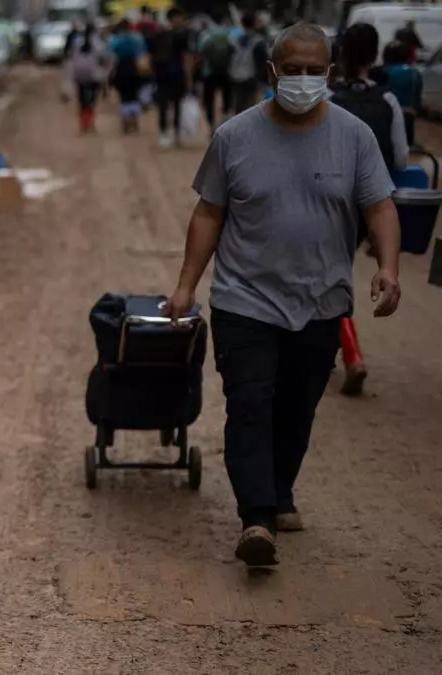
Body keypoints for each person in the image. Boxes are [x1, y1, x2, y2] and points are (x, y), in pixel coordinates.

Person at [164, 22, 401, 567]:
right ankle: (257, 519)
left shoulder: (354, 137)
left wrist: (389, 267)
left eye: (314, 71)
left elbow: (380, 206)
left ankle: (279, 491)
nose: (302, 80)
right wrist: (185, 286)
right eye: (291, 70)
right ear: (271, 72)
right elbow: (209, 213)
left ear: (331, 73)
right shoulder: (235, 137)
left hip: (321, 301)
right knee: (250, 403)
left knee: (297, 408)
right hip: (243, 298)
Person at [328, 22, 409, 396]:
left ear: (341, 53)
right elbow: (402, 155)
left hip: (331, 203)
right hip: (371, 203)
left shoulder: (327, 98)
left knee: (330, 276)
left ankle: (350, 353)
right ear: (375, 55)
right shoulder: (388, 100)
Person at [151, 8, 196, 148]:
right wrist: (189, 77)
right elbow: (186, 58)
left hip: (164, 75)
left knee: (169, 105)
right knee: (171, 105)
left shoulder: (160, 34)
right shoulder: (182, 35)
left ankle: (167, 134)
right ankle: (172, 134)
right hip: (174, 75)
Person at [197, 9, 237, 131]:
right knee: (226, 98)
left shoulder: (205, 34)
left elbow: (200, 53)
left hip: (209, 72)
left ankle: (211, 125)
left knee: (209, 99)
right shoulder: (230, 33)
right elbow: (235, 51)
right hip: (226, 71)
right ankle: (225, 123)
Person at [108, 19, 147, 134]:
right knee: (134, 97)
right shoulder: (137, 38)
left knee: (123, 98)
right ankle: (134, 123)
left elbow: (110, 55)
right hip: (135, 70)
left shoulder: (115, 40)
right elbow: (143, 52)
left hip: (120, 71)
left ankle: (125, 124)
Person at [228, 12, 269, 115]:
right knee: (252, 106)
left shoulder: (234, 40)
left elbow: (229, 58)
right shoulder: (259, 41)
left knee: (238, 104)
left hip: (236, 76)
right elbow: (263, 61)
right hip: (252, 77)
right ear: (255, 23)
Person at [71, 26, 105, 134]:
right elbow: (102, 59)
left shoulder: (77, 42)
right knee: (91, 102)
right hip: (93, 77)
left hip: (80, 77)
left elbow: (72, 59)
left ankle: (83, 124)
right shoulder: (98, 43)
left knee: (82, 102)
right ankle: (90, 124)